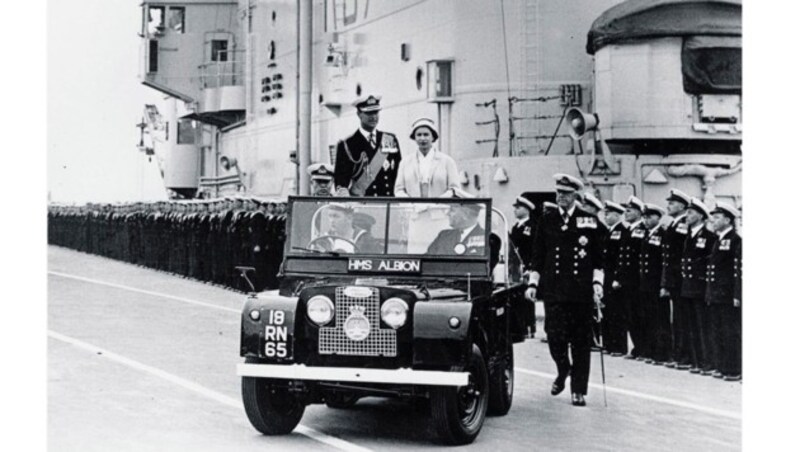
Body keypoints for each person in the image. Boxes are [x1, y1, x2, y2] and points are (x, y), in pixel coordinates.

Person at [525, 174, 605, 407]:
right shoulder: (547, 220)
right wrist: (533, 283)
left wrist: (597, 283)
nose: (561, 196)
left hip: (580, 292)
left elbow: (599, 258)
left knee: (581, 341)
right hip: (555, 290)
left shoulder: (588, 221)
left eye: (566, 193)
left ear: (575, 196)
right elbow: (538, 256)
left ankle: (578, 389)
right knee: (554, 336)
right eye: (558, 192)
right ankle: (563, 369)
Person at [333, 95, 401, 197]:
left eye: (376, 112)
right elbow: (341, 182)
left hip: (388, 203)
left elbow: (398, 173)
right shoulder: (347, 144)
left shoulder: (390, 139)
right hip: (362, 205)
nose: (373, 116)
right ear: (359, 114)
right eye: (368, 112)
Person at [705, 202, 742, 381]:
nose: (713, 220)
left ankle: (733, 368)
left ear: (728, 220)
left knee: (730, 333)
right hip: (717, 294)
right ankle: (721, 366)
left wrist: (737, 295)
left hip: (727, 295)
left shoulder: (735, 240)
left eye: (718, 217)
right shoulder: (719, 239)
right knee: (717, 331)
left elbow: (736, 270)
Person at [680, 198, 717, 376]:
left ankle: (707, 362)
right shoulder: (689, 235)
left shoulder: (709, 237)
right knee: (692, 327)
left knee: (703, 327)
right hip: (688, 288)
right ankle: (696, 361)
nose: (687, 216)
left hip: (700, 288)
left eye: (691, 213)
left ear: (701, 216)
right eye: (686, 212)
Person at [659, 188, 692, 369]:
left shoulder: (681, 226)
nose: (668, 206)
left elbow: (679, 254)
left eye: (672, 203)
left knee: (681, 318)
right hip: (674, 278)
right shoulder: (673, 225)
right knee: (677, 318)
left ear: (681, 205)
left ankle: (683, 355)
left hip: (679, 278)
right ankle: (678, 353)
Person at [394, 118, 460, 197]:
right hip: (412, 208)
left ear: (433, 137)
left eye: (426, 134)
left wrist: (438, 203)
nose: (422, 138)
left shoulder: (447, 161)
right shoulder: (405, 162)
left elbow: (454, 189)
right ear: (414, 138)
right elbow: (399, 190)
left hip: (440, 208)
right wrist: (411, 205)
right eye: (419, 135)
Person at [639, 203, 667, 364]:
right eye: (644, 217)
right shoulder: (647, 235)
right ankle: (651, 350)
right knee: (648, 318)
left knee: (659, 320)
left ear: (658, 217)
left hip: (656, 284)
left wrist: (663, 284)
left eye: (649, 217)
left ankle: (661, 352)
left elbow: (663, 261)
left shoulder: (662, 234)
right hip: (646, 284)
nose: (646, 220)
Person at [602, 200, 628, 356]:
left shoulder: (621, 232)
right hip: (606, 276)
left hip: (614, 277)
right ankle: (609, 344)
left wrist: (618, 277)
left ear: (618, 215)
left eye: (609, 213)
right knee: (608, 311)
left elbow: (621, 258)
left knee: (617, 312)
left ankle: (619, 346)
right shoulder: (609, 231)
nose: (606, 216)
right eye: (605, 213)